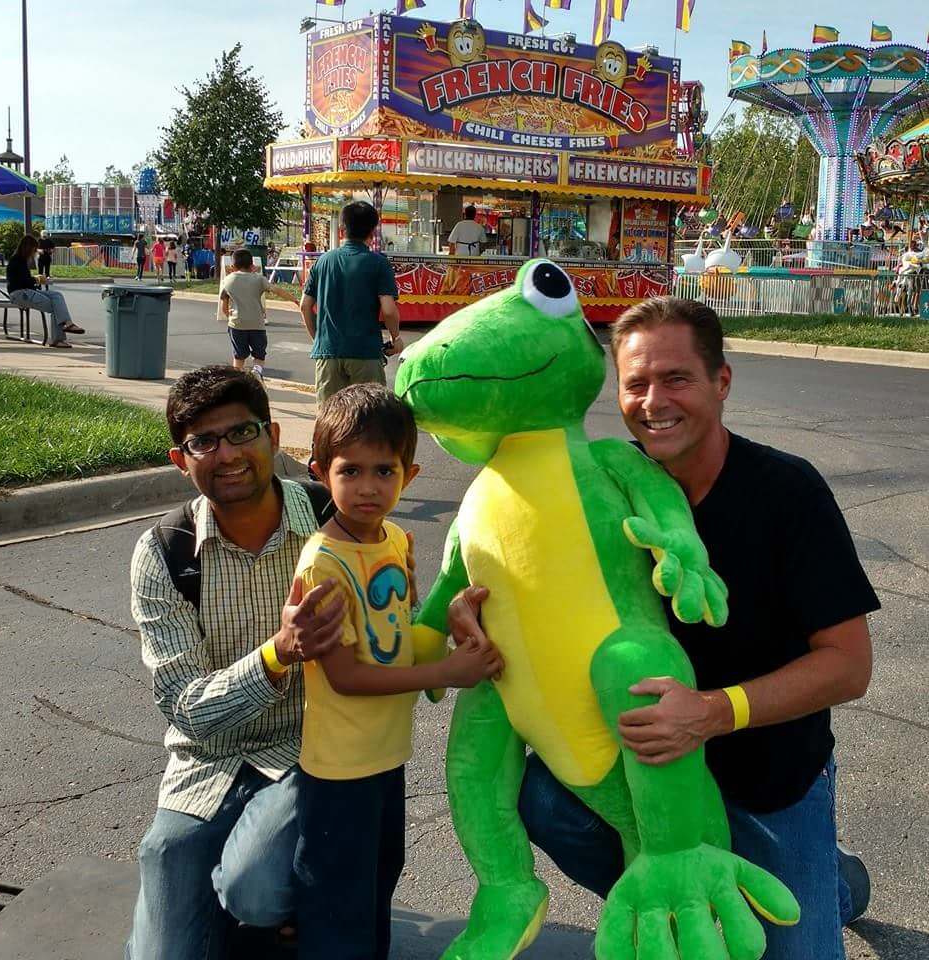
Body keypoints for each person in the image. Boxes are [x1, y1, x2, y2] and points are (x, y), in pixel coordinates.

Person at [447, 297, 879, 960]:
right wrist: (477, 619)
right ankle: (671, 893)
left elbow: (847, 666)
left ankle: (830, 882)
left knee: (794, 945)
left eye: (676, 379)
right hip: (644, 779)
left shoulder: (785, 492)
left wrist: (710, 712)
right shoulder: (598, 485)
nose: (653, 402)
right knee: (539, 796)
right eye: (635, 384)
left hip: (767, 777)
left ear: (721, 382)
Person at [126, 365, 354, 960]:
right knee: (162, 945)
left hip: (311, 753)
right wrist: (279, 654)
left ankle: (274, 908)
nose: (226, 454)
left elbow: (392, 627)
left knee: (253, 887)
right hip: (205, 767)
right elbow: (185, 707)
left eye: (242, 433)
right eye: (205, 441)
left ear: (274, 436)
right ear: (182, 460)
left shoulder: (338, 521)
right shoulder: (165, 552)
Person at [294, 383, 502, 959]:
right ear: (320, 472)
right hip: (339, 768)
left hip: (386, 756)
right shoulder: (325, 563)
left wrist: (453, 621)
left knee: (380, 879)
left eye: (383, 471)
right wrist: (450, 674)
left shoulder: (393, 539)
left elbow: (395, 637)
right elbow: (348, 676)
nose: (367, 488)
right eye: (350, 471)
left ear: (409, 476)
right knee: (340, 904)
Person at [299, 201, 403, 409]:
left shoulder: (323, 261)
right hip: (365, 353)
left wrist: (319, 339)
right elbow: (389, 310)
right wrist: (395, 338)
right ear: (373, 232)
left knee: (331, 421)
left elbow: (305, 305)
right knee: (370, 419)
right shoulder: (378, 263)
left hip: (328, 352)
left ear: (342, 230)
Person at [220, 247, 297, 380]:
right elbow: (276, 290)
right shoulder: (259, 279)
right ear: (252, 265)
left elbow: (224, 306)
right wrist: (295, 300)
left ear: (233, 266)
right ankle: (257, 372)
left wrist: (229, 315)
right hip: (257, 324)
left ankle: (236, 379)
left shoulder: (227, 280)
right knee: (259, 355)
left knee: (239, 355)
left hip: (237, 324)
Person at [6, 234, 84, 348]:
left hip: (26, 291)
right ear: (28, 248)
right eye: (34, 250)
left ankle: (68, 324)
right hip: (20, 294)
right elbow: (23, 281)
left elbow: (25, 280)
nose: (35, 253)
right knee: (55, 307)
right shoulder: (17, 261)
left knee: (57, 295)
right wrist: (36, 279)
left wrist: (35, 280)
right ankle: (58, 339)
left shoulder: (21, 260)